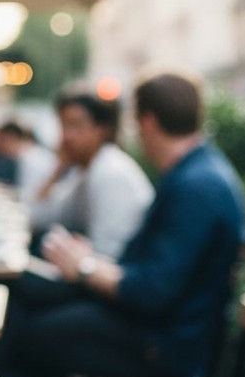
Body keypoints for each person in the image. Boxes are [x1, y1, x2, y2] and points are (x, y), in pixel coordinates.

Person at [0, 72, 245, 377]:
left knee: (10, 339)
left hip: (164, 348)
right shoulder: (200, 173)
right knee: (17, 317)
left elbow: (151, 292)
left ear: (147, 121)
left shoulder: (196, 186)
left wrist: (85, 267)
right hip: (164, 331)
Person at [28, 87, 153, 258]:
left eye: (76, 125)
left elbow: (109, 254)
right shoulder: (87, 170)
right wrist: (58, 169)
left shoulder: (109, 172)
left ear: (102, 130)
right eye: (63, 126)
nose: (66, 136)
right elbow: (39, 216)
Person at [0, 121, 56, 201]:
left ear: (10, 138)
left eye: (1, 141)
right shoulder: (27, 156)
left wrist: (4, 192)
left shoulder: (32, 160)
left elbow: (33, 196)